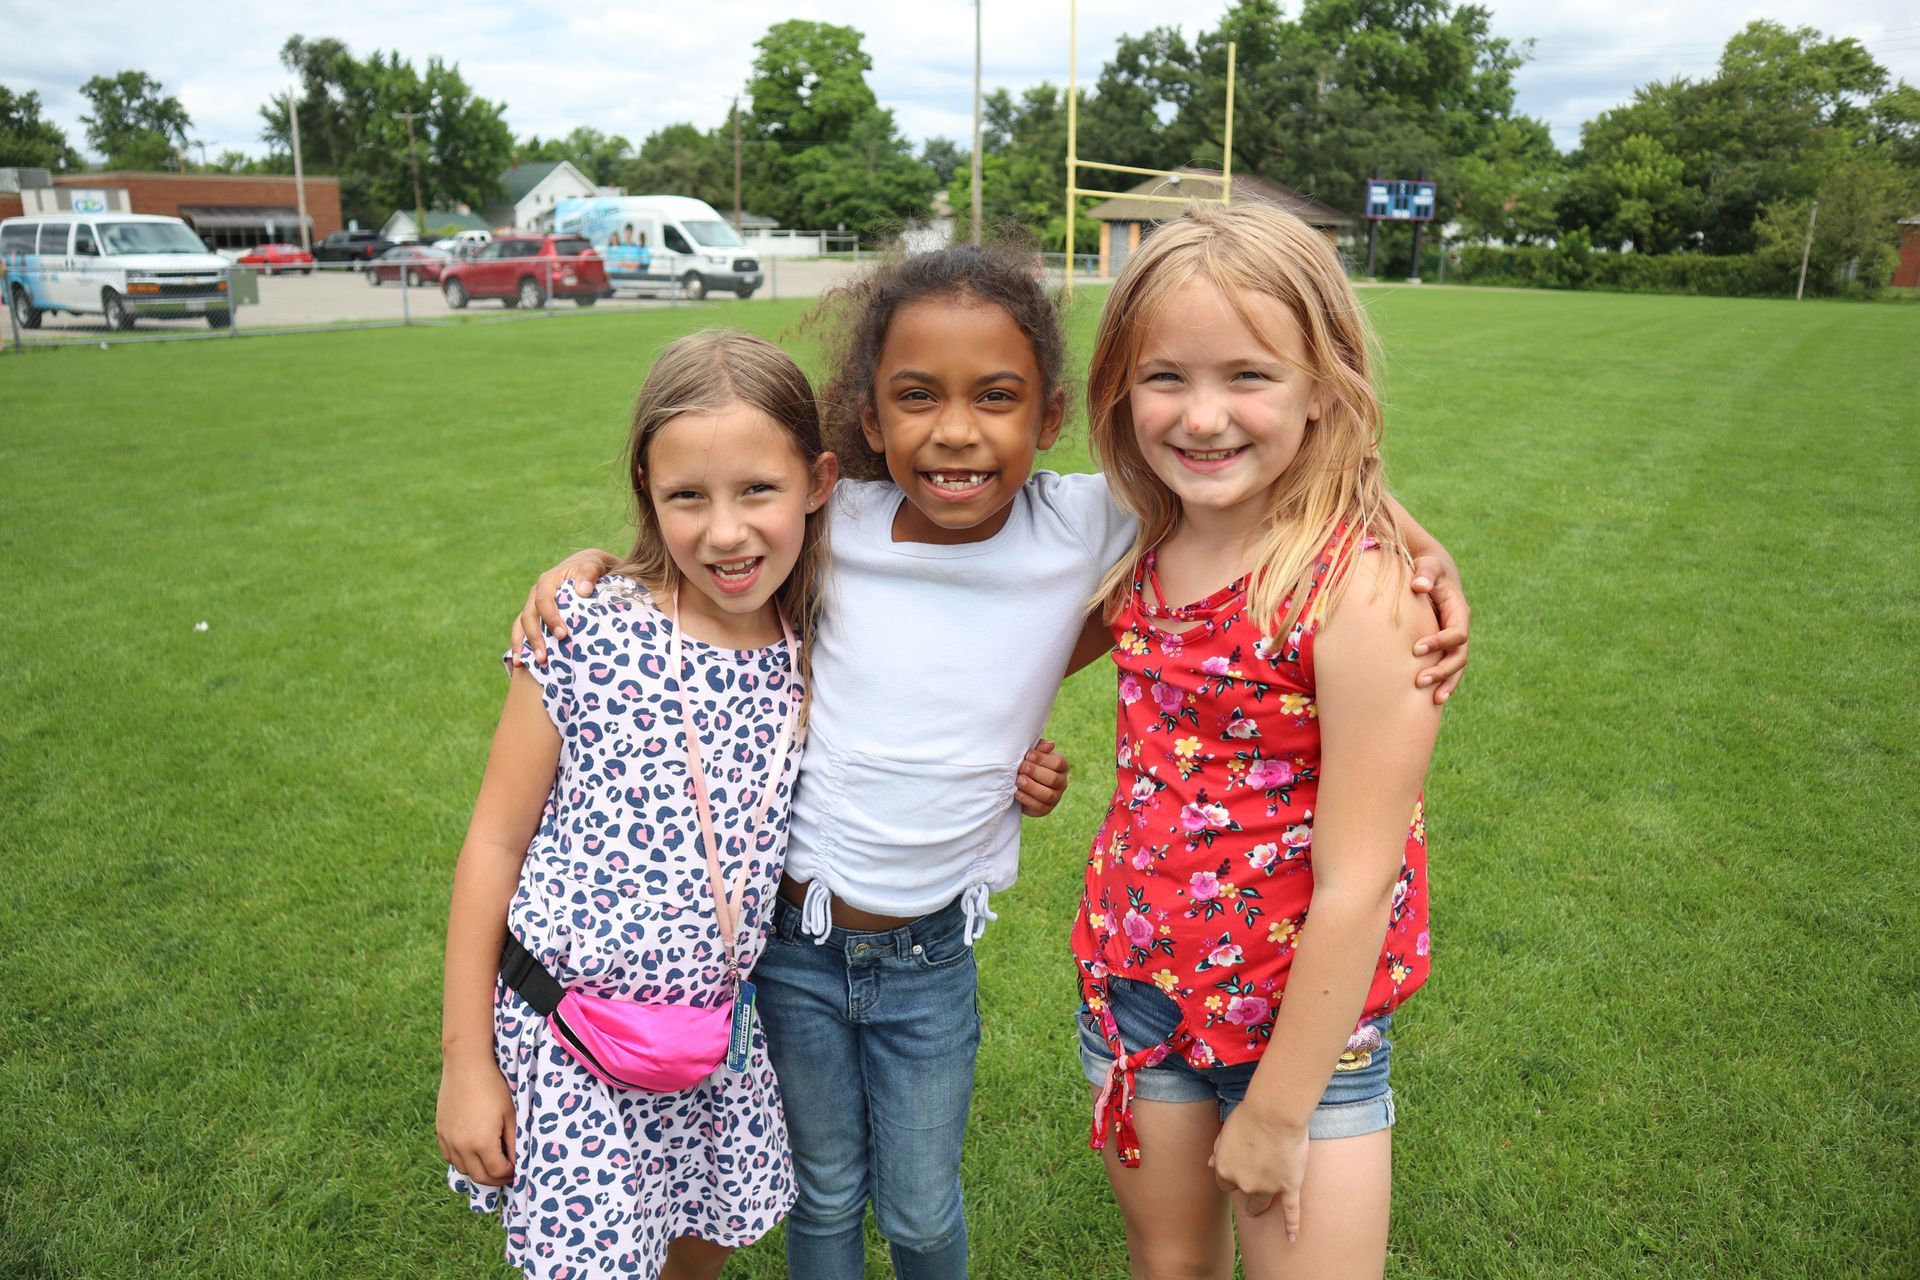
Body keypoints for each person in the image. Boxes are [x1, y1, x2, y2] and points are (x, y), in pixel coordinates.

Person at [512, 244, 1470, 1278]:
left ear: (1051, 415)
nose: (958, 430)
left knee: (924, 1212)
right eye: (918, 396)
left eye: (996, 396)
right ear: (869, 422)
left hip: (962, 955)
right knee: (828, 1191)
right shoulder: (842, 523)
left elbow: (1256, 468)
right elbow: (729, 523)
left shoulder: (1096, 525)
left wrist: (1407, 536)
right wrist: (601, 570)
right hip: (875, 947)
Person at [1072, 200, 1446, 1280]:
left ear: (1323, 384)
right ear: (1120, 388)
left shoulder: (1360, 593)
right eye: (1165, 377)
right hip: (1138, 990)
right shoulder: (1140, 544)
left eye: (1248, 376)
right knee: (1170, 1262)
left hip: (1307, 1037)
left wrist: (1280, 1110)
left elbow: (1359, 881)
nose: (1203, 417)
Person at [436, 330, 839, 1280]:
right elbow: (494, 842)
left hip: (711, 1049)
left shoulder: (820, 639)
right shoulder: (583, 628)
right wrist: (465, 1063)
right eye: (687, 496)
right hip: (569, 1041)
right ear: (646, 491)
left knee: (694, 1257)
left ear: (818, 483)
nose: (725, 532)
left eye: (758, 489)